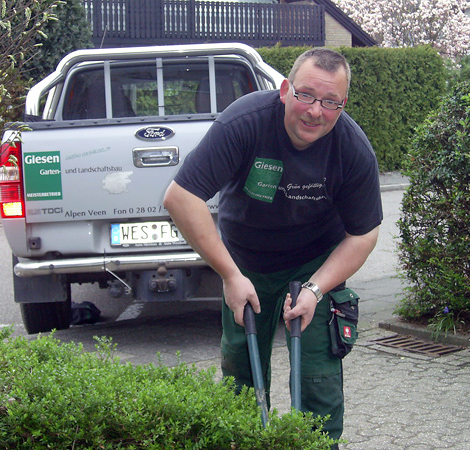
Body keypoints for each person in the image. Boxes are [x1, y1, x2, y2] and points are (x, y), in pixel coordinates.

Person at [163, 48, 382, 445]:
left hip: (314, 265)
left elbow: (364, 233)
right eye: (306, 95)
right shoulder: (245, 123)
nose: (316, 111)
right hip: (246, 262)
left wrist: (316, 289)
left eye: (330, 102)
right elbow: (181, 197)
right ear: (285, 90)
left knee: (318, 376)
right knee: (242, 374)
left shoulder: (352, 150)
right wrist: (230, 275)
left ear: (342, 104)